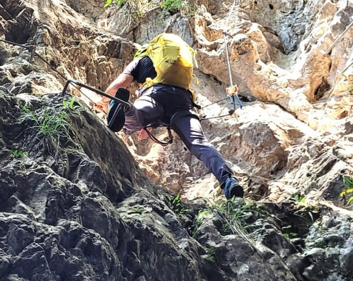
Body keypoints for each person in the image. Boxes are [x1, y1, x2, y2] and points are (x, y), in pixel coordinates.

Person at [96, 35, 244, 200]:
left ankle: (122, 106)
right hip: (183, 102)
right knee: (199, 143)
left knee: (135, 118)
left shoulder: (142, 60)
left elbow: (119, 84)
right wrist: (150, 125)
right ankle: (228, 180)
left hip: (154, 95)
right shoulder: (175, 65)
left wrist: (102, 100)